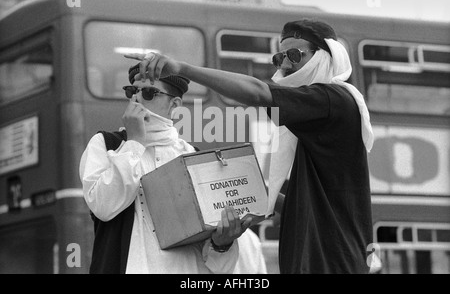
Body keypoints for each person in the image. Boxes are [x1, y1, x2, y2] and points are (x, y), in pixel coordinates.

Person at [124, 18, 374, 274]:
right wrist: (238, 191)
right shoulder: (316, 121)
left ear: (324, 57)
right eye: (279, 58)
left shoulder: (334, 100)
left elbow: (257, 92)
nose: (285, 65)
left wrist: (183, 68)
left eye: (294, 55)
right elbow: (308, 210)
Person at [79, 64, 252, 273]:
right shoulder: (106, 144)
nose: (137, 99)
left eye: (149, 92)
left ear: (175, 104)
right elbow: (104, 207)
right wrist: (134, 143)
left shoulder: (192, 156)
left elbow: (210, 257)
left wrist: (222, 243)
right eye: (132, 91)